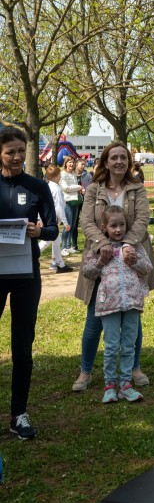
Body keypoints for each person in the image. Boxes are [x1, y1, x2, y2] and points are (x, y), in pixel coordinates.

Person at [72, 142, 154, 392]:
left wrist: (127, 245)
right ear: (106, 162)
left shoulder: (137, 188)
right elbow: (86, 221)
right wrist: (103, 244)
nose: (119, 161)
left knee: (132, 314)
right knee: (94, 318)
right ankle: (85, 372)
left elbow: (142, 219)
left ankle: (134, 368)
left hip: (131, 258)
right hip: (101, 257)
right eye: (114, 157)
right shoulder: (94, 188)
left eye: (123, 157)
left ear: (128, 162)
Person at [0, 126, 58, 439]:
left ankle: (18, 414)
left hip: (26, 275)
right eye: (10, 151)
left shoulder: (37, 186)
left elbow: (53, 229)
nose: (17, 157)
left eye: (21, 151)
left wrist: (39, 232)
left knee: (22, 347)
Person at [81, 207, 152, 403]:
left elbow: (147, 268)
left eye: (122, 225)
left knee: (129, 345)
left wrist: (134, 260)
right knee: (111, 346)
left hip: (132, 302)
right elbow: (87, 271)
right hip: (108, 304)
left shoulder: (134, 247)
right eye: (113, 225)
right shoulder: (99, 249)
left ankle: (126, 384)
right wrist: (101, 262)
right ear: (104, 227)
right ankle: (110, 385)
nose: (119, 229)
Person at [38, 165, 73, 273]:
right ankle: (31, 255)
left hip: (47, 217)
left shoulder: (48, 186)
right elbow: (59, 207)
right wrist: (65, 222)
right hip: (53, 219)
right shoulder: (56, 189)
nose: (60, 176)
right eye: (59, 175)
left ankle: (58, 264)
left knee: (56, 241)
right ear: (56, 176)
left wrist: (39, 218)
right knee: (47, 241)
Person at [60, 156, 82, 255]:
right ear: (65, 163)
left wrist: (79, 189)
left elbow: (72, 188)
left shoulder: (73, 174)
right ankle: (64, 247)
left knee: (72, 226)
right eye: (69, 162)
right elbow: (65, 188)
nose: (71, 164)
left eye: (73, 162)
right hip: (67, 202)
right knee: (67, 226)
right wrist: (79, 187)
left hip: (75, 202)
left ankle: (69, 246)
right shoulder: (63, 174)